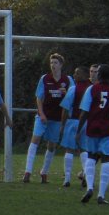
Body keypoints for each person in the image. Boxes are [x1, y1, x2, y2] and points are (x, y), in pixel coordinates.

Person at [76, 64, 109, 204]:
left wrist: (78, 130)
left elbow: (84, 112)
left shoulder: (91, 89)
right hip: (107, 129)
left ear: (99, 75)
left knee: (91, 157)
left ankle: (90, 188)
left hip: (92, 127)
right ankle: (101, 195)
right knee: (106, 159)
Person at [22, 53, 74, 183]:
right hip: (44, 116)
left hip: (57, 118)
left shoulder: (68, 80)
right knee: (35, 140)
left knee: (51, 146)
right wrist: (41, 113)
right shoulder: (45, 78)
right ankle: (27, 172)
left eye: (56, 63)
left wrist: (66, 93)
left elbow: (73, 98)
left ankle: (44, 172)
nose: (53, 65)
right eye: (51, 63)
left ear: (61, 65)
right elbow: (39, 97)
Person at [59, 66, 91, 187]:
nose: (74, 75)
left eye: (77, 73)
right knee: (84, 150)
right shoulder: (91, 88)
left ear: (83, 75)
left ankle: (67, 179)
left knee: (69, 149)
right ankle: (86, 176)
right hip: (87, 123)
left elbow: (66, 109)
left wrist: (62, 125)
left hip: (73, 122)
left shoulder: (73, 89)